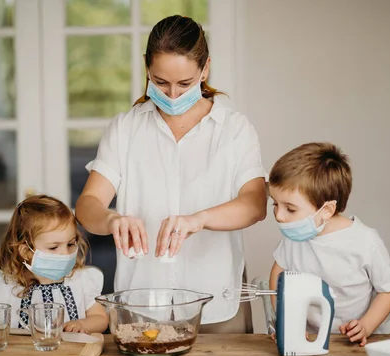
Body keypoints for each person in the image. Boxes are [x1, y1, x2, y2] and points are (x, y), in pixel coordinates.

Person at [75, 15, 267, 333]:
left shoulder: (234, 130)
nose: (173, 95)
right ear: (147, 68)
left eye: (185, 84)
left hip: (217, 306)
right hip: (141, 306)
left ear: (205, 69)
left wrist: (199, 219)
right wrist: (111, 219)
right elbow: (88, 204)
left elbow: (255, 204)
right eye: (161, 82)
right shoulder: (126, 128)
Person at [268, 142, 390, 346]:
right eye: (275, 204)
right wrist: (288, 322)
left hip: (349, 343)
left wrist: (366, 325)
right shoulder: (293, 239)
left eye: (290, 209)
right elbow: (278, 275)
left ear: (327, 210)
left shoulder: (365, 241)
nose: (279, 216)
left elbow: (388, 291)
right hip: (307, 341)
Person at [0, 195, 108, 342]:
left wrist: (83, 325)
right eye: (53, 247)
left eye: (70, 244)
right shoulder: (6, 285)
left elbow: (100, 318)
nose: (65, 254)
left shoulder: (81, 280)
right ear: (26, 251)